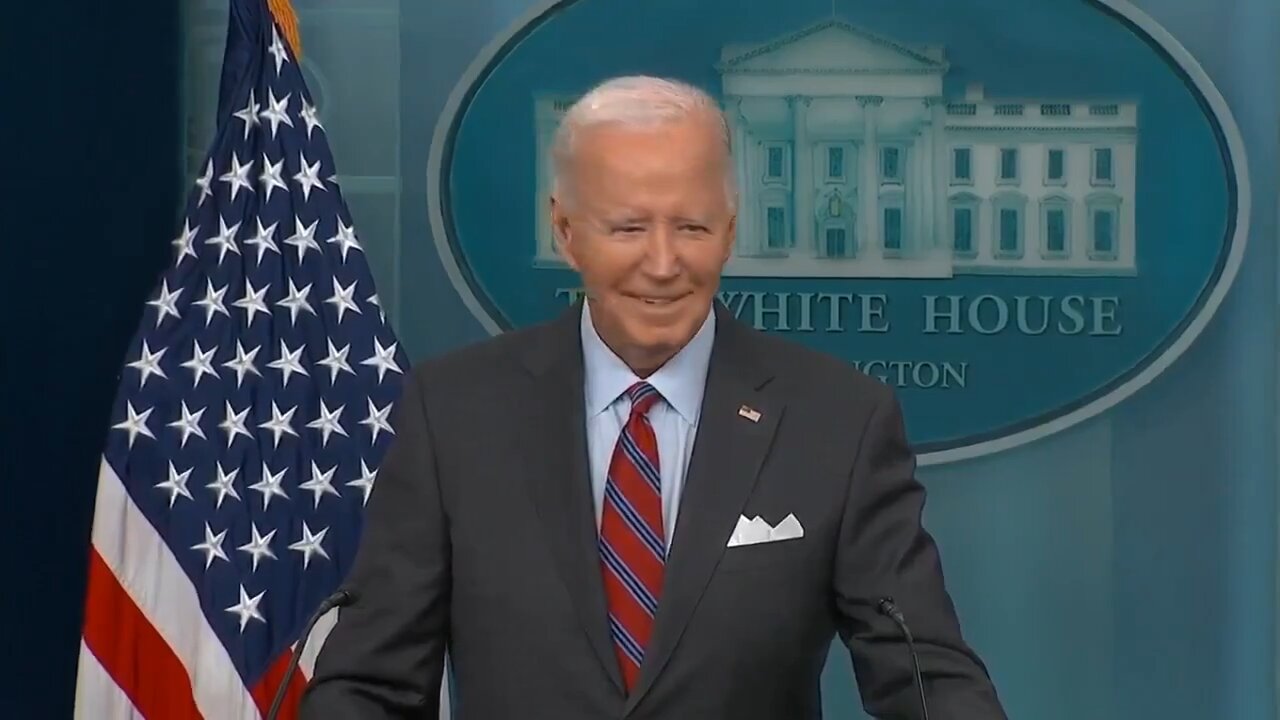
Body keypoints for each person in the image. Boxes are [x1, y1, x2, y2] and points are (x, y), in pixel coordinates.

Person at [300, 75, 1007, 719]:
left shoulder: (838, 421)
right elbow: (371, 686)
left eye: (692, 227)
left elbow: (928, 678)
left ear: (730, 233)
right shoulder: (454, 413)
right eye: (629, 227)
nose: (664, 264)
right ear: (567, 231)